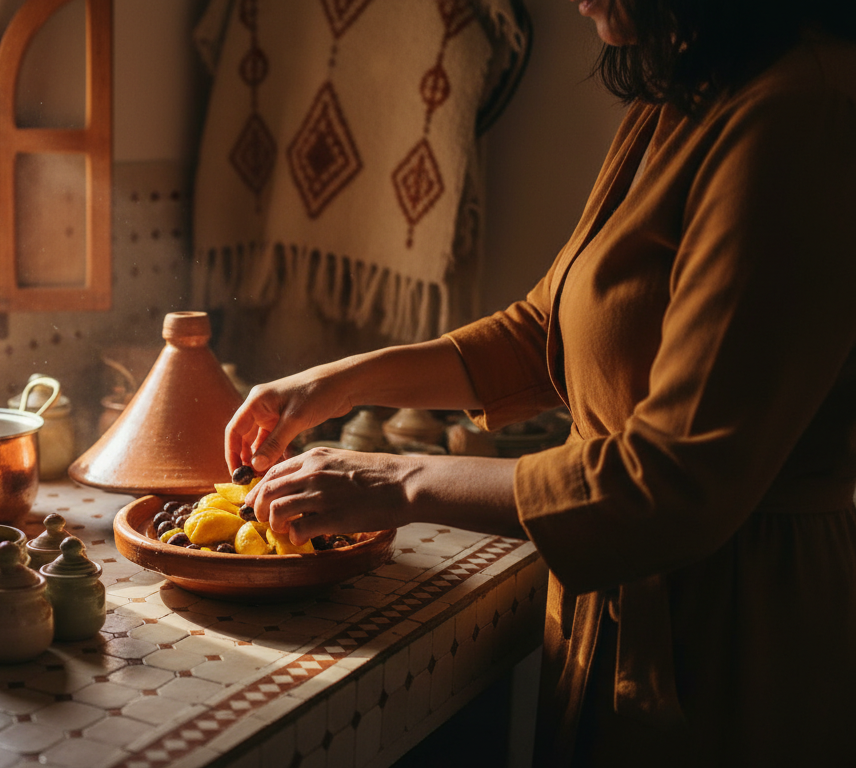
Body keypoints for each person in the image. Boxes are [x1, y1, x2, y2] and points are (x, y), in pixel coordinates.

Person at [225, 0, 856, 765]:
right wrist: (341, 382)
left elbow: (674, 482)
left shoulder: (803, 110)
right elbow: (548, 332)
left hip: (735, 639)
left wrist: (398, 478)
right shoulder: (687, 87)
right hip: (622, 602)